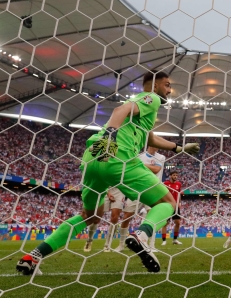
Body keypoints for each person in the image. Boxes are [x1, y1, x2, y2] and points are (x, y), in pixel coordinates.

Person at [16, 71, 200, 275]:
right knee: (168, 203)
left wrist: (179, 148)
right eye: (166, 85)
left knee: (91, 216)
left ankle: (32, 257)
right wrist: (111, 137)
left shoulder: (142, 115)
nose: (169, 90)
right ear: (155, 86)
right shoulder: (152, 99)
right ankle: (142, 235)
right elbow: (121, 109)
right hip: (116, 155)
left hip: (92, 159)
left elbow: (150, 138)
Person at [161, 171, 183, 246]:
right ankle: (164, 240)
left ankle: (175, 240)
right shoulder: (165, 184)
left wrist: (179, 202)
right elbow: (163, 194)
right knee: (165, 223)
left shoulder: (179, 184)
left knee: (178, 223)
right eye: (174, 175)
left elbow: (179, 194)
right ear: (170, 176)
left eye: (176, 175)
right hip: (168, 205)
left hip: (176, 205)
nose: (175, 176)